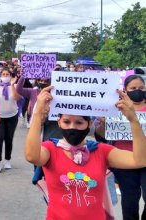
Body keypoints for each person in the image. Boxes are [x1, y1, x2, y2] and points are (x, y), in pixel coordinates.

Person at [24, 85, 146, 220]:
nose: (72, 127)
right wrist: (37, 115)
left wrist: (133, 120)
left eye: (79, 122)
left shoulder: (101, 151)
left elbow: (140, 160)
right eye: (66, 121)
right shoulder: (50, 149)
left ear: (88, 124)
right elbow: (31, 156)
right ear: (59, 123)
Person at [95, 75, 146, 219]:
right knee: (129, 199)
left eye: (141, 88)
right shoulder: (115, 108)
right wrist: (103, 123)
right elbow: (104, 135)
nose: (138, 90)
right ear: (125, 90)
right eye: (133, 88)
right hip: (124, 160)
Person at [0, 68, 20, 172]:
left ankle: (7, 160)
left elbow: (17, 98)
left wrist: (12, 85)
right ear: (0, 75)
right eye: (3, 74)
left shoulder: (14, 86)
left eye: (7, 74)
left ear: (10, 76)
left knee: (9, 138)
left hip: (12, 116)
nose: (5, 76)